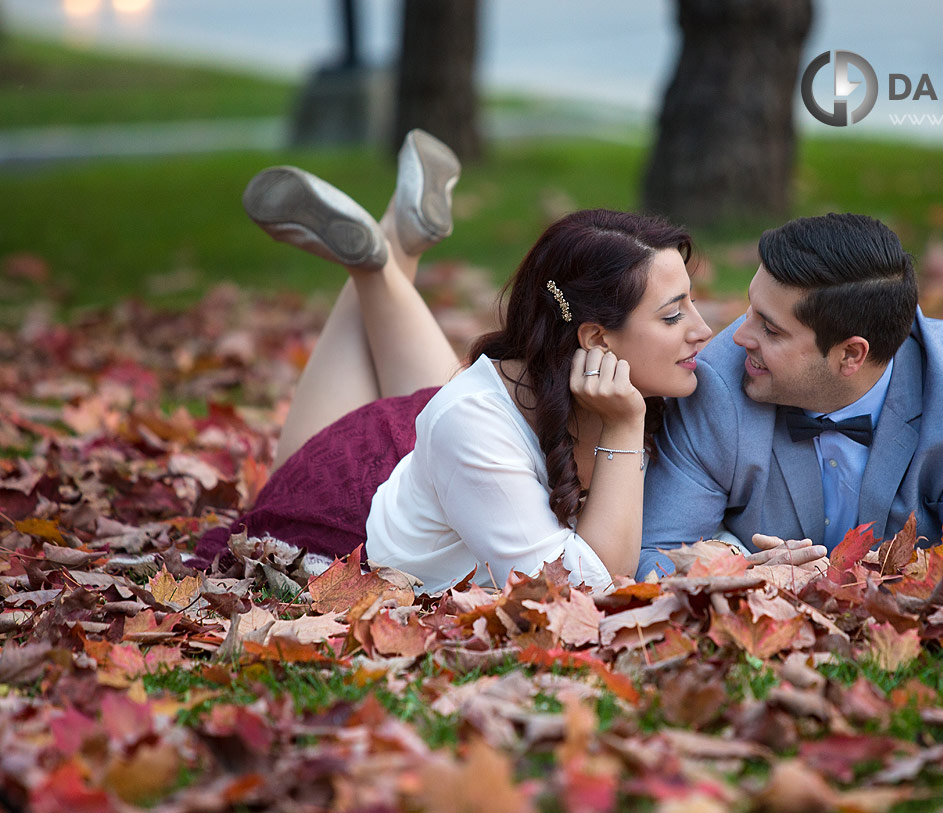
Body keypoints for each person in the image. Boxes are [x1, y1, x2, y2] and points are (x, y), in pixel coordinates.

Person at [191, 130, 713, 593]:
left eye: (693, 301)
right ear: (596, 339)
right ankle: (385, 252)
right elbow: (585, 591)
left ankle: (387, 249)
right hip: (346, 516)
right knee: (299, 477)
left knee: (451, 406)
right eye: (672, 316)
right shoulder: (479, 425)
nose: (702, 329)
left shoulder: (625, 385)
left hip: (433, 452)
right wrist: (623, 429)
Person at [637, 212, 943, 580]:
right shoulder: (716, 385)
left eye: (771, 330)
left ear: (850, 355)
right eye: (750, 309)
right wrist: (743, 574)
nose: (739, 337)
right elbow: (657, 553)